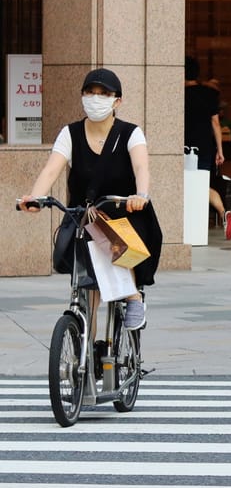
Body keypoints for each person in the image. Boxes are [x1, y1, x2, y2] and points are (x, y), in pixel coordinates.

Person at [18, 68, 163, 331]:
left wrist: (140, 195)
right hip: (84, 216)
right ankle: (86, 353)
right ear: (82, 96)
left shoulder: (130, 133)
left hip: (125, 214)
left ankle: (133, 297)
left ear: (117, 101)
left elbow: (142, 168)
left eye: (104, 93)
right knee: (88, 294)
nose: (96, 98)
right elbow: (51, 169)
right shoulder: (70, 133)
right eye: (90, 92)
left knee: (110, 240)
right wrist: (35, 197)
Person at [184, 57, 231, 240]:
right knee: (201, 184)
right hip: (205, 147)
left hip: (183, 147)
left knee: (186, 184)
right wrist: (220, 150)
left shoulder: (178, 94)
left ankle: (188, 226)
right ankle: (222, 212)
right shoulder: (209, 94)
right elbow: (215, 122)